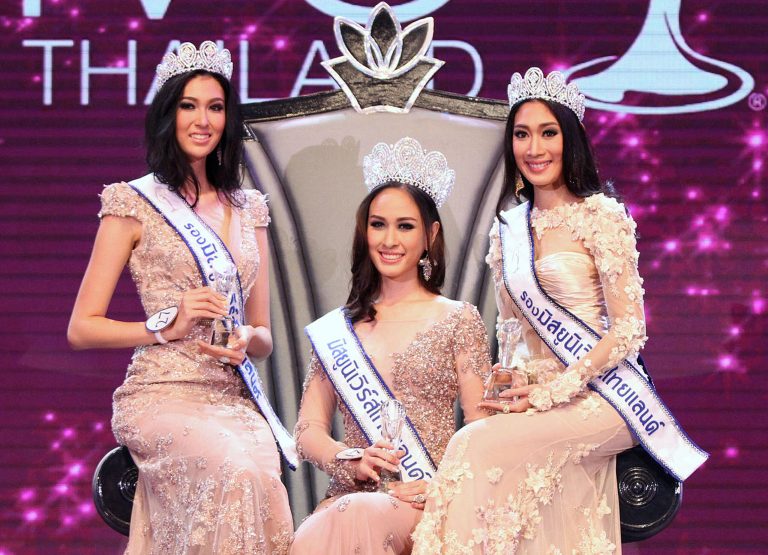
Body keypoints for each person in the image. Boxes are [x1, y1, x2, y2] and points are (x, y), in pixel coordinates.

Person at [411, 68, 707, 554]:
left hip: (605, 397)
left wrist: (557, 389)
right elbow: (512, 329)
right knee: (484, 452)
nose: (534, 148)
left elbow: (629, 329)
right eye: (522, 135)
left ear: (570, 139)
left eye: (548, 133)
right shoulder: (508, 229)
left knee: (473, 444)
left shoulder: (602, 216)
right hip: (539, 396)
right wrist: (513, 378)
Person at [67, 41, 295, 554]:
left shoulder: (250, 209)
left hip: (232, 397)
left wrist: (246, 339)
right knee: (236, 472)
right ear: (168, 115)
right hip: (163, 392)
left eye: (215, 107)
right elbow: (81, 327)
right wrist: (164, 325)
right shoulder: (132, 203)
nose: (203, 120)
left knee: (261, 478)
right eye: (189, 106)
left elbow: (263, 335)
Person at [290, 137, 492, 554]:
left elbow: (481, 428)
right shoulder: (339, 329)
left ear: (430, 234)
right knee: (334, 522)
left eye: (405, 226)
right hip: (350, 498)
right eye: (378, 224)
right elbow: (307, 431)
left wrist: (442, 487)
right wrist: (351, 459)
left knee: (359, 515)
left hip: (426, 498)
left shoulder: (458, 318)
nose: (389, 239)